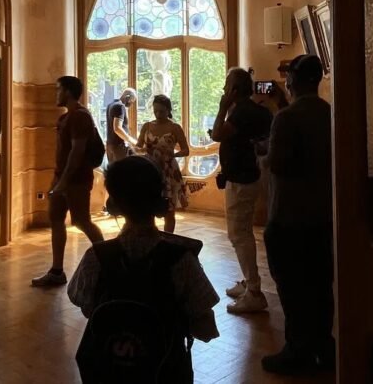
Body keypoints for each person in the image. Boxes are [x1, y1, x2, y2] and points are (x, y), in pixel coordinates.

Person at [68, 156, 219, 383]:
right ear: (158, 199)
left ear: (113, 205)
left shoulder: (96, 257)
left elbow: (87, 307)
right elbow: (206, 330)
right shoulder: (182, 259)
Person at [262, 54, 335, 375]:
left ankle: (297, 351)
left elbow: (279, 163)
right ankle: (323, 346)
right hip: (322, 216)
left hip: (289, 216)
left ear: (295, 80)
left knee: (291, 288)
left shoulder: (287, 119)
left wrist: (262, 154)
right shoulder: (330, 114)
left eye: (288, 76)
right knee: (320, 286)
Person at [209, 66, 273, 314]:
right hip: (248, 176)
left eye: (227, 85)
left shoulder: (241, 111)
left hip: (241, 180)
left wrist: (222, 107)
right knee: (242, 232)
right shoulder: (257, 110)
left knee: (239, 234)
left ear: (235, 89)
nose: (224, 89)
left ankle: (254, 291)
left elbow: (217, 134)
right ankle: (249, 281)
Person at [31, 75, 106, 288]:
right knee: (56, 220)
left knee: (81, 221)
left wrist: (63, 182)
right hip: (61, 178)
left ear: (68, 92)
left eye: (58, 89)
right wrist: (58, 180)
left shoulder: (80, 117)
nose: (55, 94)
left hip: (76, 181)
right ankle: (56, 272)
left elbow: (77, 151)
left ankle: (109, 260)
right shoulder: (65, 118)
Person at [136, 94, 190, 232]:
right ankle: (150, 237)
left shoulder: (175, 127)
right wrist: (141, 150)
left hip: (169, 170)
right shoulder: (147, 126)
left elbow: (186, 150)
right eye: (155, 111)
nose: (158, 114)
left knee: (169, 209)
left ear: (168, 110)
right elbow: (138, 146)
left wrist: (174, 154)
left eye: (161, 111)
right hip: (150, 169)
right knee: (149, 207)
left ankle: (168, 238)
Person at [106, 87, 137, 165]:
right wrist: (130, 140)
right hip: (118, 147)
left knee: (113, 173)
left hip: (110, 145)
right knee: (122, 173)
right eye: (131, 101)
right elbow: (117, 128)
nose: (131, 104)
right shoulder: (120, 106)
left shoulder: (110, 104)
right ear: (127, 97)